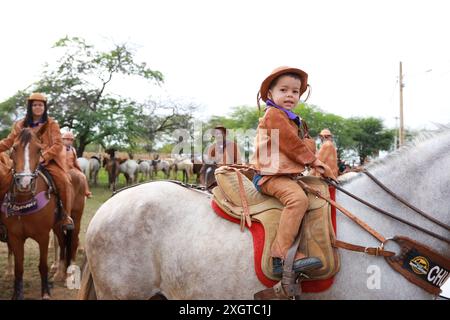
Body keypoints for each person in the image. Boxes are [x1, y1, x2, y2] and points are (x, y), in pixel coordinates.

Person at [252, 66, 337, 276]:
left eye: (295, 91)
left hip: (285, 175)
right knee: (297, 200)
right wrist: (315, 162)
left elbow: (298, 145)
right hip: (269, 176)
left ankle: (303, 245)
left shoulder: (291, 119)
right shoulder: (274, 115)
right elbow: (290, 144)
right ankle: (279, 257)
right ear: (270, 94)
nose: (290, 95)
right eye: (284, 90)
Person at [0, 93, 74, 233]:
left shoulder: (52, 124)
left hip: (47, 161)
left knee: (64, 181)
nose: (38, 107)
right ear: (30, 107)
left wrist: (43, 157)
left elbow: (58, 144)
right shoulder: (20, 124)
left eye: (41, 105)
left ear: (45, 107)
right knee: (4, 181)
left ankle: (65, 216)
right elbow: (9, 141)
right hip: (23, 161)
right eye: (35, 105)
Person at [61, 131, 92, 198]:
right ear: (63, 140)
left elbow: (75, 161)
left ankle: (86, 191)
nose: (69, 141)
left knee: (83, 176)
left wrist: (79, 169)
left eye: (71, 140)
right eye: (67, 139)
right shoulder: (59, 148)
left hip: (72, 168)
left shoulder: (73, 149)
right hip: (62, 168)